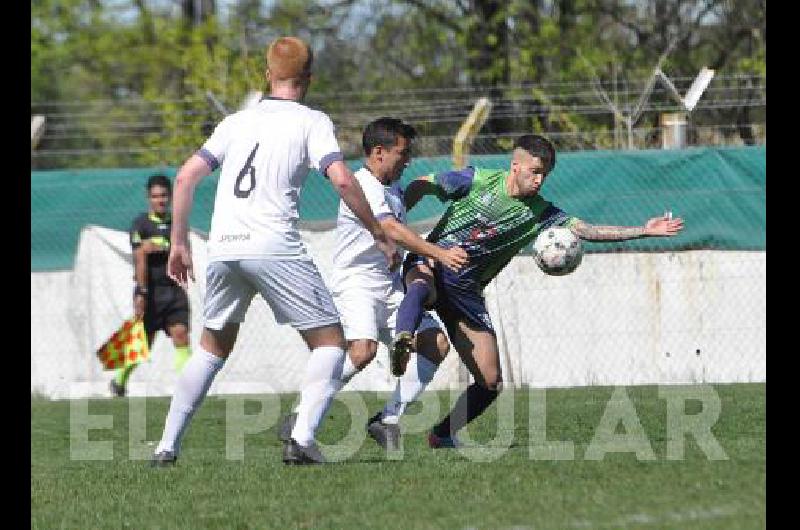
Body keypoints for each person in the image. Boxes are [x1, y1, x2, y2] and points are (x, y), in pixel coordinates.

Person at [150, 36, 397, 467]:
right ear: (309, 78)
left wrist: (178, 242)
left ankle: (165, 447)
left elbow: (186, 178)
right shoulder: (311, 121)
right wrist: (376, 229)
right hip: (273, 245)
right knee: (331, 343)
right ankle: (301, 440)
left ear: (268, 74)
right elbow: (340, 178)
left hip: (224, 247)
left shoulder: (234, 123)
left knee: (210, 349)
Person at [387, 134, 685, 448]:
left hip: (466, 292)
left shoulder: (540, 212)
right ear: (515, 166)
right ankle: (403, 337)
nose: (540, 180)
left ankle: (442, 435)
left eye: (545, 174)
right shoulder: (476, 179)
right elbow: (423, 183)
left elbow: (587, 231)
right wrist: (393, 224)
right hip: (434, 260)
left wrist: (643, 230)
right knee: (422, 283)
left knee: (490, 382)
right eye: (535, 171)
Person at [277, 117, 468, 452]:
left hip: (390, 285)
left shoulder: (391, 185)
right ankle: (302, 414)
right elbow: (391, 229)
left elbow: (401, 208)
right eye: (402, 153)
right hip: (357, 284)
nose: (407, 160)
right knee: (362, 351)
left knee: (435, 344)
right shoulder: (362, 184)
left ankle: (387, 419)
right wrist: (439, 253)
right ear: (378, 152)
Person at [110, 174, 192, 397]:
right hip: (151, 292)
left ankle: (190, 389)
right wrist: (142, 292)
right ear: (149, 198)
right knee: (144, 343)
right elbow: (140, 258)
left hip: (174, 291)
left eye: (164, 195)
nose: (160, 200)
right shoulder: (140, 225)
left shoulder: (177, 223)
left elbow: (185, 251)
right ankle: (119, 381)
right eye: (155, 196)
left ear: (170, 197)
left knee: (181, 335)